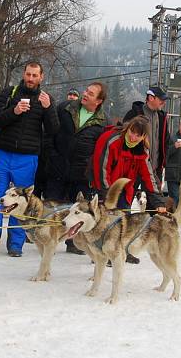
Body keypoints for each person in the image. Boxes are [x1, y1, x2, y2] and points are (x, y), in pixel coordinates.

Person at [0, 62, 59, 257]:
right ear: (23, 74)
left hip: (28, 157)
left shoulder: (46, 99)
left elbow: (53, 131)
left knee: (22, 203)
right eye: (28, 74)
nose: (30, 79)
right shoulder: (10, 92)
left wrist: (48, 108)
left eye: (35, 75)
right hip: (3, 153)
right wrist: (14, 111)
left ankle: (16, 244)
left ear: (41, 77)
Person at [92, 116, 167, 263]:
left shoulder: (142, 151)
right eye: (132, 132)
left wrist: (159, 201)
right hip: (106, 186)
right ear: (128, 128)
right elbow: (101, 168)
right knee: (106, 221)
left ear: (143, 137)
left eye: (138, 135)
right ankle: (102, 254)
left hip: (126, 189)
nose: (133, 137)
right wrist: (106, 195)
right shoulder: (112, 141)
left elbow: (148, 175)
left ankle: (123, 251)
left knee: (124, 220)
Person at [48, 82, 108, 254]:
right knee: (53, 207)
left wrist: (89, 170)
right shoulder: (65, 108)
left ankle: (73, 244)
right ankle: (49, 241)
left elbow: (100, 152)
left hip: (81, 174)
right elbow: (50, 133)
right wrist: (52, 155)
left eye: (90, 93)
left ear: (98, 101)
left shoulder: (104, 121)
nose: (85, 94)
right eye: (86, 91)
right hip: (57, 167)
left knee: (76, 209)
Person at [123, 86, 169, 179]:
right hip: (134, 169)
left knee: (155, 194)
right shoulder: (133, 114)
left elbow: (166, 141)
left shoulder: (162, 118)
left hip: (155, 170)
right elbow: (123, 138)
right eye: (161, 99)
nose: (164, 103)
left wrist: (163, 163)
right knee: (128, 193)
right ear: (151, 98)